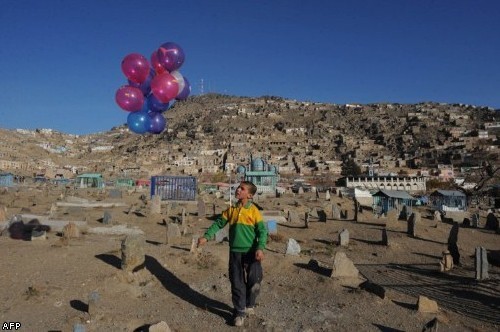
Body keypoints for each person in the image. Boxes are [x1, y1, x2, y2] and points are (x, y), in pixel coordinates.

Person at [198, 181, 268, 327]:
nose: (238, 189)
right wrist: (207, 236)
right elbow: (218, 223)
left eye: (242, 189)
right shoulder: (231, 210)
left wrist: (260, 248)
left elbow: (262, 231)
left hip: (251, 252)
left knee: (254, 280)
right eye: (238, 187)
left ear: (249, 195)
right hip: (235, 252)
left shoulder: (254, 211)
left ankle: (250, 304)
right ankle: (240, 312)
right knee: (237, 282)